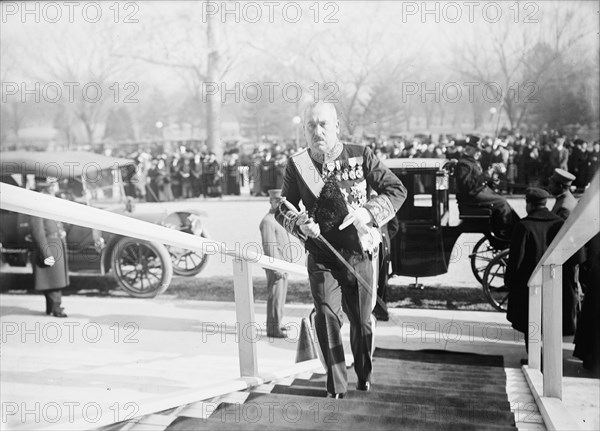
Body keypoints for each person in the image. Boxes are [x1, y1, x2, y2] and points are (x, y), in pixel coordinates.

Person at [274, 101, 407, 398]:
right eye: (311, 125)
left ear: (336, 126)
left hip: (358, 252)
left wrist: (368, 213)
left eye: (323, 124)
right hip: (321, 254)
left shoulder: (361, 155)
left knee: (360, 321)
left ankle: (363, 374)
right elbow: (282, 208)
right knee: (326, 315)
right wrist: (299, 224)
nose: (317, 131)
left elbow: (396, 190)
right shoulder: (298, 165)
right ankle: (336, 385)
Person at [505, 188, 563, 353]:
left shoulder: (524, 226)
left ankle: (534, 359)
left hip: (528, 287)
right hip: (554, 283)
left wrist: (509, 283)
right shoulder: (559, 223)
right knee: (550, 323)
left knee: (531, 324)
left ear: (529, 204)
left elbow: (516, 260)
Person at [454, 135, 519, 238]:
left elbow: (477, 181)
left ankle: (517, 228)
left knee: (503, 201)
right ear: (469, 150)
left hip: (478, 192)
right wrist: (486, 175)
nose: (479, 153)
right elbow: (467, 186)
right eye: (477, 151)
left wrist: (492, 180)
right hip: (471, 197)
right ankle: (504, 233)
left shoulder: (472, 162)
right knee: (501, 202)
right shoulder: (463, 164)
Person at [548, 168, 581, 336]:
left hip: (568, 254)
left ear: (561, 186)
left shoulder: (565, 205)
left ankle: (569, 326)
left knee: (568, 290)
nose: (549, 184)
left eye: (552, 183)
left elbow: (562, 234)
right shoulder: (563, 199)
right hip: (567, 253)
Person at [30, 177, 69, 318]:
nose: (54, 187)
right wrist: (45, 253)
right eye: (51, 185)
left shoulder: (50, 202)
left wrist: (61, 231)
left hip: (56, 243)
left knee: (53, 279)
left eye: (54, 184)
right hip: (49, 246)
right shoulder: (38, 204)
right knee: (53, 281)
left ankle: (51, 307)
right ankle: (57, 308)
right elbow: (38, 232)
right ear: (44, 187)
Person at [259, 189, 291, 338]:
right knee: (275, 295)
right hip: (276, 266)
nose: (279, 204)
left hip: (283, 264)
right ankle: (273, 328)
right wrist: (276, 267)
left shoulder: (279, 218)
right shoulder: (268, 221)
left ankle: (278, 321)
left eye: (281, 202)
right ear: (270, 201)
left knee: (281, 296)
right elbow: (269, 246)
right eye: (276, 201)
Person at [372, 216, 399, 322]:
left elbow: (394, 226)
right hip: (382, 242)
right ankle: (379, 310)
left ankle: (377, 310)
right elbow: (394, 226)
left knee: (378, 279)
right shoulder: (384, 202)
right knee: (381, 280)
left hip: (380, 243)